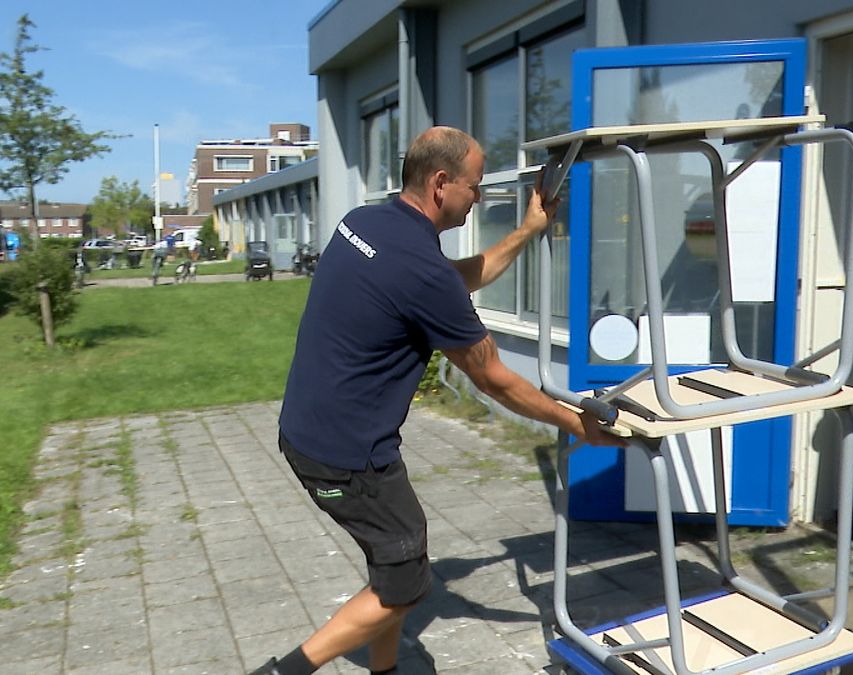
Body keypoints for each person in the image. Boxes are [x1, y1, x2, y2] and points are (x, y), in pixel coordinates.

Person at [251, 127, 614, 675]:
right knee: (406, 585)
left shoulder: (365, 223)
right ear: (441, 183)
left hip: (309, 428)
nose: (479, 197)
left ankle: (386, 669)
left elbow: (451, 281)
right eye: (476, 186)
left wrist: (526, 230)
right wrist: (578, 425)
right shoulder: (419, 269)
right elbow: (493, 379)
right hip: (349, 457)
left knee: (393, 562)